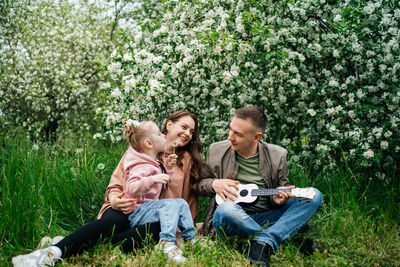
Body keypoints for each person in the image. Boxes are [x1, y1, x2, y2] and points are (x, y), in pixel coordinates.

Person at [12, 110, 203, 267]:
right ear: (169, 125)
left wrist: (188, 229)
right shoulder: (139, 152)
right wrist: (114, 200)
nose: (187, 133)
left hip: (156, 217)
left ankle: (70, 242)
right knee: (116, 222)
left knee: (154, 232)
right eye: (184, 127)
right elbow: (117, 184)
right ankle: (57, 249)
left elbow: (186, 200)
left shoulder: (186, 161)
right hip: (126, 207)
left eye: (192, 131)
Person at [197, 106, 322, 266]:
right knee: (226, 209)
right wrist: (214, 183)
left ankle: (262, 242)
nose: (230, 137)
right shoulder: (217, 150)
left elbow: (282, 189)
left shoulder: (278, 155)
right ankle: (285, 239)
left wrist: (279, 199)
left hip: (267, 216)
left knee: (314, 195)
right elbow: (199, 184)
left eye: (238, 134)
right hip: (230, 218)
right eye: (231, 130)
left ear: (257, 137)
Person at [122, 121, 196, 262]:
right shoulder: (140, 164)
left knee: (180, 203)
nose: (163, 135)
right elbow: (131, 187)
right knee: (170, 205)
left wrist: (168, 168)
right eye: (158, 134)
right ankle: (166, 243)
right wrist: (152, 179)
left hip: (149, 209)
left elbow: (163, 182)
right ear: (149, 143)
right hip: (138, 211)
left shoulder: (153, 162)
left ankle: (190, 239)